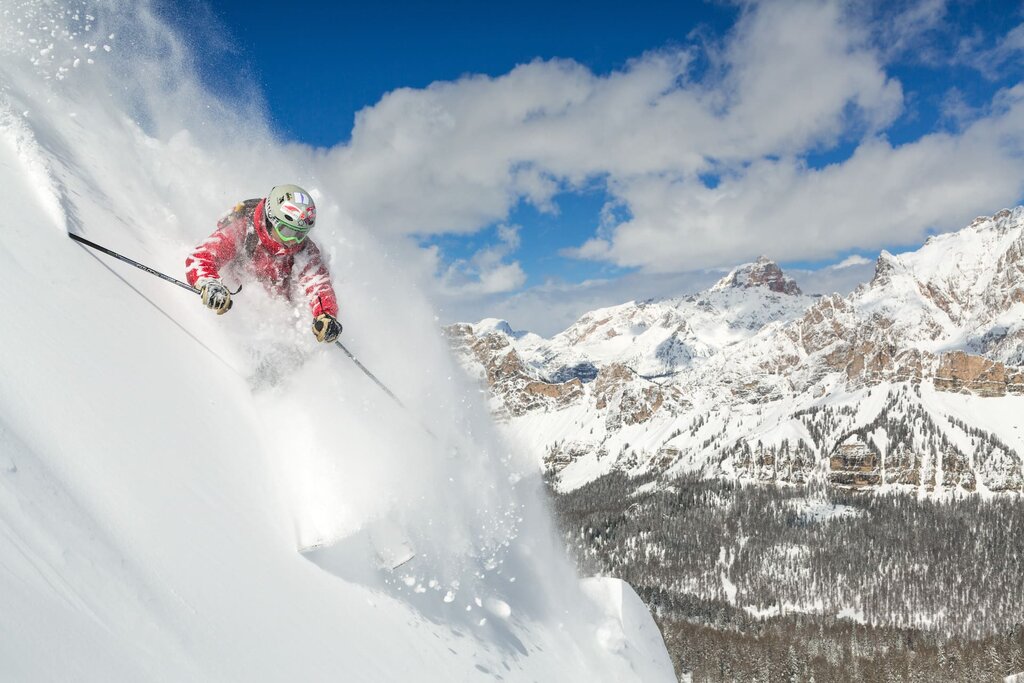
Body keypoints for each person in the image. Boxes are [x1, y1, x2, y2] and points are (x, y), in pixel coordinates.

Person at [185, 184, 343, 344]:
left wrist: (326, 315)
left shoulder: (303, 250)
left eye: (300, 234)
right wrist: (210, 283)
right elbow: (201, 256)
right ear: (271, 219)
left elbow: (318, 284)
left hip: (279, 324)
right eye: (288, 232)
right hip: (235, 311)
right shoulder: (243, 230)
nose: (293, 241)